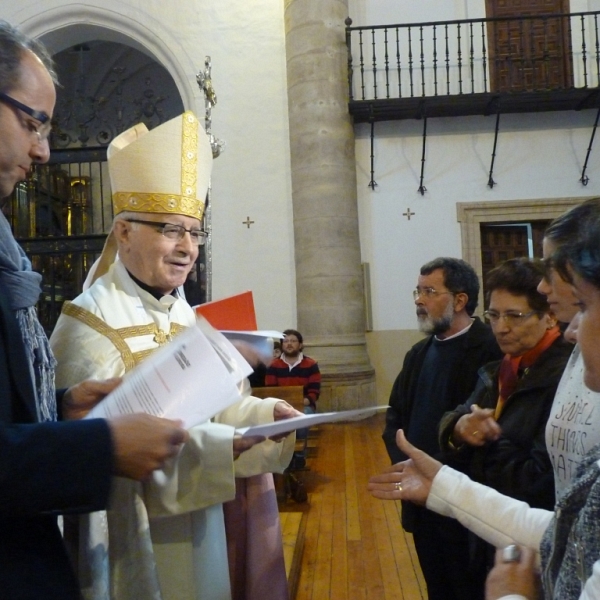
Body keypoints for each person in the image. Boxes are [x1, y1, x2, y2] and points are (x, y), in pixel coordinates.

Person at [50, 113, 297, 600]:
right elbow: (102, 459)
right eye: (170, 229)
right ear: (123, 232)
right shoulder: (86, 326)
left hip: (204, 525)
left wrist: (268, 414)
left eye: (194, 231)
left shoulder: (188, 318)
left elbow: (219, 406)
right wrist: (219, 447)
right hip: (132, 542)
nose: (188, 248)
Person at [0, 20, 189, 599]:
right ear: (124, 234)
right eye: (32, 122)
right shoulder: (91, 319)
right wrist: (102, 446)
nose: (44, 150)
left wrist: (61, 407)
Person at [368, 200, 600, 599]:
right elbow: (569, 529)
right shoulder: (488, 366)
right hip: (462, 511)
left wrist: (510, 595)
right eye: (494, 316)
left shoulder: (541, 365)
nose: (571, 333)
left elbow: (542, 485)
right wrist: (454, 443)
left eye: (581, 306)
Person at [438, 258, 571, 570]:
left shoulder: (564, 377)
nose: (500, 327)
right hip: (489, 527)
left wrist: (482, 443)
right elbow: (452, 419)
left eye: (515, 316)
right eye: (494, 315)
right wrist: (461, 428)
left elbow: (539, 479)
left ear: (549, 317)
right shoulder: (500, 370)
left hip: (533, 539)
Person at [381, 257, 502, 600]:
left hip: (465, 494)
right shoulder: (418, 353)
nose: (419, 300)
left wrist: (440, 472)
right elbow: (395, 417)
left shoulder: (490, 349)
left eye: (429, 291)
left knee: (470, 587)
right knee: (437, 585)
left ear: (460, 300)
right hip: (420, 494)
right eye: (418, 291)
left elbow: (486, 424)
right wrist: (407, 464)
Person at [266, 328, 321, 469]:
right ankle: (280, 456)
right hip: (280, 406)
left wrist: (303, 402)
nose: (289, 344)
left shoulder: (311, 364)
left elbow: (314, 391)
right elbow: (270, 390)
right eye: (286, 341)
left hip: (303, 405)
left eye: (293, 341)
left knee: (303, 418)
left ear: (300, 345)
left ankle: (298, 457)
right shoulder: (273, 365)